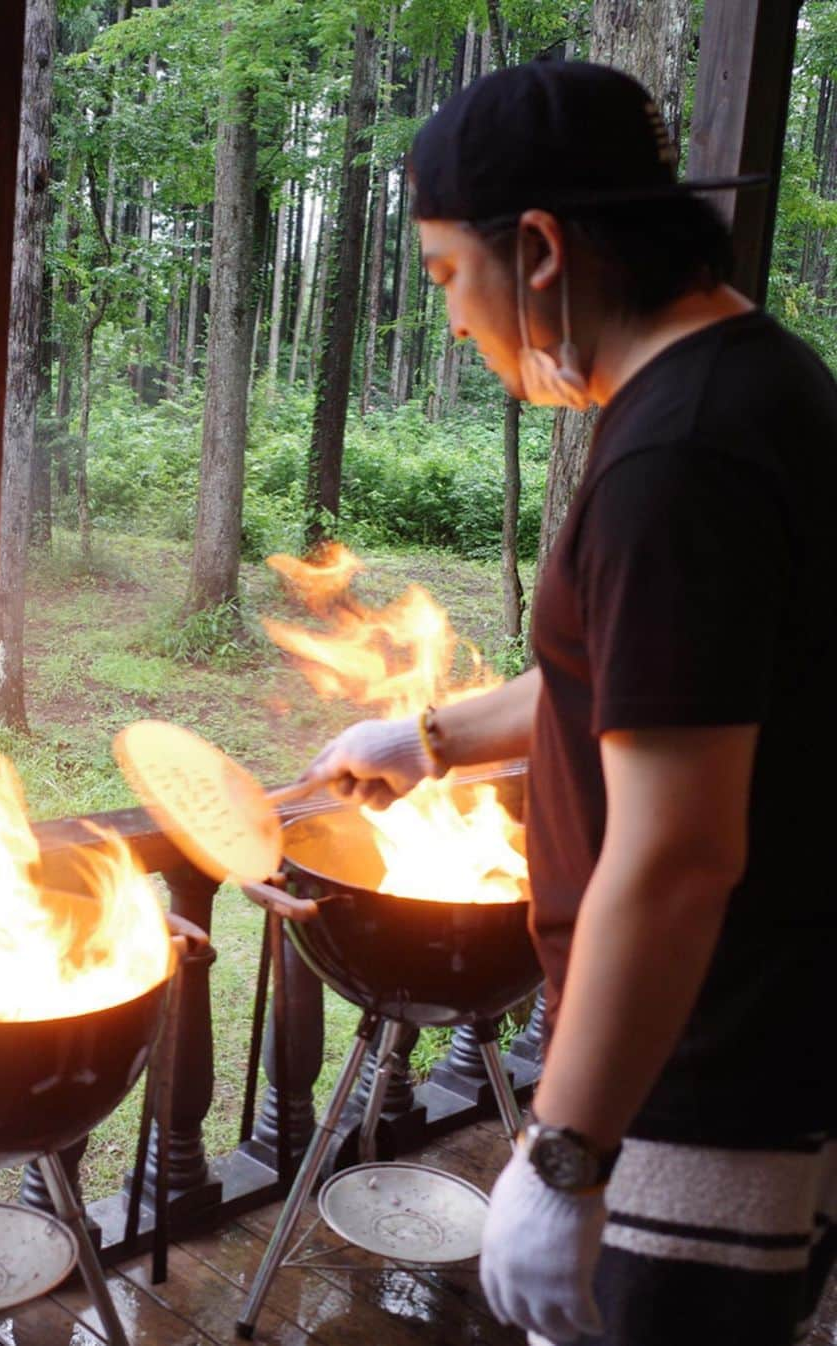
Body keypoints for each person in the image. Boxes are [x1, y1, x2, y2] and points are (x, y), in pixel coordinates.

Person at [304, 61, 837, 1346]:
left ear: (539, 249)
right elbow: (646, 675)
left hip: (697, 1087)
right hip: (763, 1041)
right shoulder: (759, 380)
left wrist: (566, 1155)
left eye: (444, 276)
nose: (448, 319)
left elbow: (678, 852)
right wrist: (428, 738)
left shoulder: (675, 460)